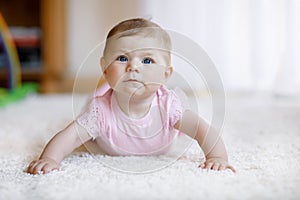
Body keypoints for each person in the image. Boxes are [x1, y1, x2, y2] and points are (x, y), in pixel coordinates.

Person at [27, 18, 235, 174]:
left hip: (162, 129)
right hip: (104, 103)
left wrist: (216, 156)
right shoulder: (99, 111)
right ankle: (102, 86)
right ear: (105, 68)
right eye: (122, 58)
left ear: (166, 74)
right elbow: (70, 135)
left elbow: (202, 129)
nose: (133, 66)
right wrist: (50, 159)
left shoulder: (170, 107)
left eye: (147, 60)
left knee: (183, 120)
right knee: (94, 101)